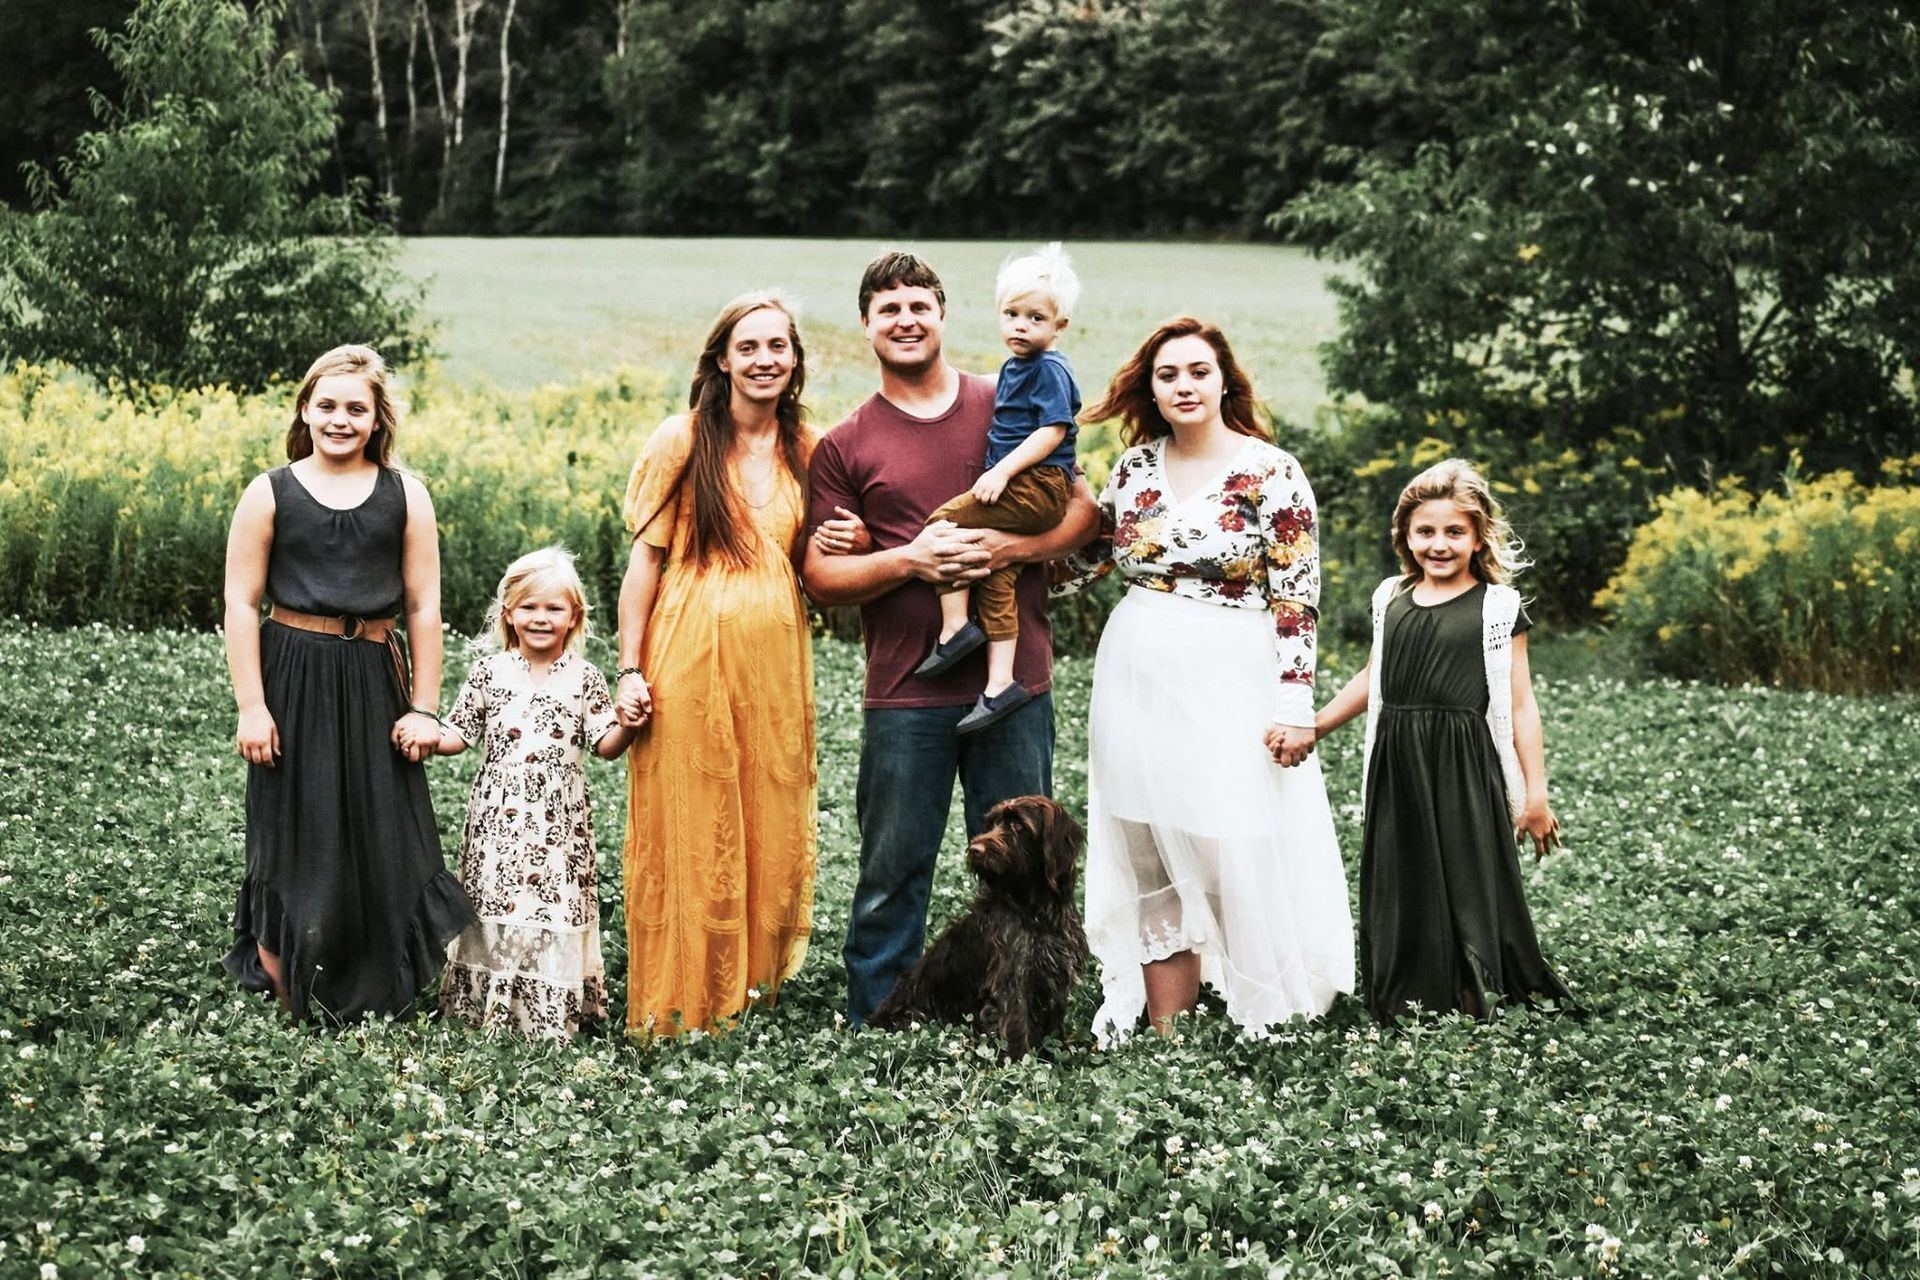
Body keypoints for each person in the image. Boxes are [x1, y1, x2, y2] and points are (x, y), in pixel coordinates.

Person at [803, 250, 1100, 1026]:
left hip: (1014, 686)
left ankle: (1024, 1019)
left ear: (942, 313)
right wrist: (907, 558)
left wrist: (1010, 550)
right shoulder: (845, 445)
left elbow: (1082, 515)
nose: (905, 320)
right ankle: (881, 1023)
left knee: (1027, 873)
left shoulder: (1007, 398)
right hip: (906, 689)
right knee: (891, 872)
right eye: (888, 309)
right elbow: (821, 578)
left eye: (919, 305)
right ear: (866, 325)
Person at [1053, 316, 1353, 1040]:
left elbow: (1297, 594)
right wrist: (1000, 545)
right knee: (1149, 841)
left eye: (1196, 371)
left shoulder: (1271, 471)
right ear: (1149, 391)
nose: (1183, 386)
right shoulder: (1132, 471)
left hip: (1232, 676)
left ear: (1223, 380)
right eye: (1167, 375)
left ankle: (1265, 1015)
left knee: (1230, 841)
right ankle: (1168, 1032)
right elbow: (1081, 572)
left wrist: (1294, 700)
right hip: (1135, 678)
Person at [221, 343, 474, 1022]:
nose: (339, 418)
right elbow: (242, 604)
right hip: (292, 676)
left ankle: (372, 984)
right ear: (306, 409)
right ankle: (288, 987)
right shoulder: (269, 491)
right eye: (327, 405)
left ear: (375, 418)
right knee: (292, 829)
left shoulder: (404, 494)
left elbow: (423, 608)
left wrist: (424, 707)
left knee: (380, 830)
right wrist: (252, 706)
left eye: (355, 408)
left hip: (373, 678)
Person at [613, 292, 828, 1037]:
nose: (765, 360)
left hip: (772, 671)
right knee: (692, 824)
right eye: (750, 347)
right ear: (723, 360)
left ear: (795, 360)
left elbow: (817, 557)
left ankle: (748, 995)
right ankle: (681, 1002)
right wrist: (628, 671)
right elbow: (643, 566)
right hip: (684, 661)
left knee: (765, 816)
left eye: (778, 346)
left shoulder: (810, 449)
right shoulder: (683, 439)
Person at [1314, 458, 1571, 1022]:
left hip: (1463, 763)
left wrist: (1536, 795)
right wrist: (1316, 726)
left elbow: (1522, 705)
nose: (1439, 544)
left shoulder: (1499, 608)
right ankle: (1407, 996)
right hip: (1398, 760)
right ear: (1405, 535)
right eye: (1425, 531)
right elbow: (1372, 676)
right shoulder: (1390, 598)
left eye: (1455, 531)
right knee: (1403, 879)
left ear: (1478, 537)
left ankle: (1473, 992)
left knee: (1466, 876)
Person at [432, 547, 634, 1040]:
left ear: (574, 617)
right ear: (508, 614)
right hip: (498, 820)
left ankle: (549, 1013)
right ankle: (489, 1007)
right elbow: (457, 734)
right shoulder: (489, 673)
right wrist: (421, 734)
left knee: (551, 904)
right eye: (528, 607)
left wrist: (630, 723)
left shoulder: (585, 679)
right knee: (497, 903)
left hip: (558, 825)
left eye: (553, 608)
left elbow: (605, 744)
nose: (540, 618)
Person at [913, 243, 1083, 734]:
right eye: (1011, 314)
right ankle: (1000, 684)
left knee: (943, 524)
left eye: (1035, 318)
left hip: (1037, 484)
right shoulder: (1017, 367)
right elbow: (1006, 394)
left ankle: (953, 629)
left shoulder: (1050, 368)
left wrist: (1001, 472)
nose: (1020, 326)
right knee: (998, 576)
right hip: (1028, 483)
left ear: (1059, 327)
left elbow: (1052, 430)